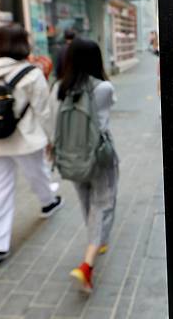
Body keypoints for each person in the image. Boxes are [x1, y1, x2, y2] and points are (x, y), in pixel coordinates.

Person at [0, 24, 63, 267]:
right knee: (38, 175)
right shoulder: (32, 74)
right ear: (23, 43)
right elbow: (43, 111)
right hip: (23, 139)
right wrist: (52, 140)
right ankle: (48, 202)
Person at [48, 37, 119, 293]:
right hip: (99, 156)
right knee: (104, 203)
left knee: (86, 201)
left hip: (70, 155)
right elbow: (108, 112)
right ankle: (87, 265)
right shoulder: (103, 88)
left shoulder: (58, 87)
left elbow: (52, 121)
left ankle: (96, 240)